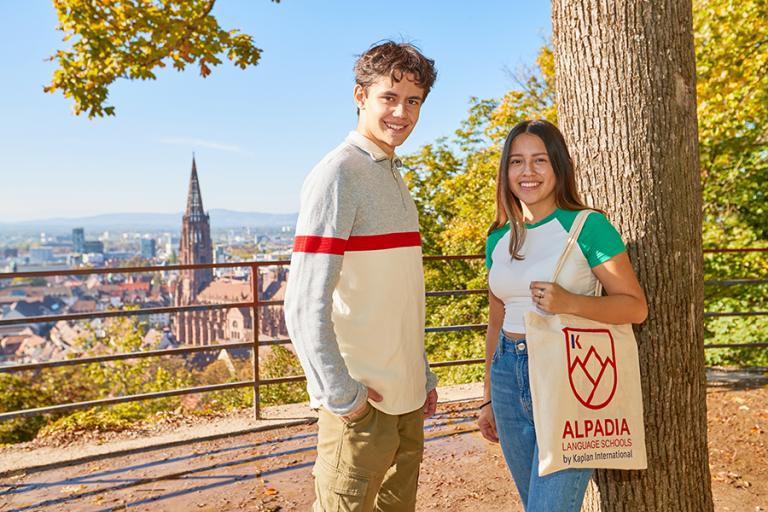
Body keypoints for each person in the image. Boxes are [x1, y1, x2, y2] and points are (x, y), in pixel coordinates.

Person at [284, 41, 439, 512]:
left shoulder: (392, 174)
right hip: (362, 406)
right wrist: (341, 395)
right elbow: (302, 304)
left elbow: (396, 294)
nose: (402, 112)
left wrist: (423, 375)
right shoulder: (338, 174)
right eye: (389, 97)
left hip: (407, 400)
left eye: (413, 101)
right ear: (360, 96)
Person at [477, 119, 648, 511]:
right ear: (506, 172)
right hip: (507, 375)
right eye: (517, 161)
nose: (528, 172)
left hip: (569, 379)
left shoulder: (589, 227)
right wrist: (487, 397)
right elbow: (495, 319)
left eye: (539, 160)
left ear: (559, 166)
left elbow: (635, 307)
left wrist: (570, 302)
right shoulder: (498, 238)